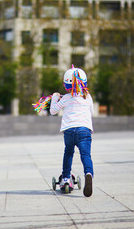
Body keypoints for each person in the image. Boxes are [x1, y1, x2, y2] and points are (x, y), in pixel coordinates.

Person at [50, 66, 94, 197]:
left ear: (66, 84)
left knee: (68, 153)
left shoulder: (65, 98)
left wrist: (54, 97)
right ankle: (88, 173)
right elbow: (91, 112)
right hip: (84, 130)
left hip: (69, 131)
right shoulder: (88, 97)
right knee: (85, 155)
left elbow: (53, 111)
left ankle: (65, 177)